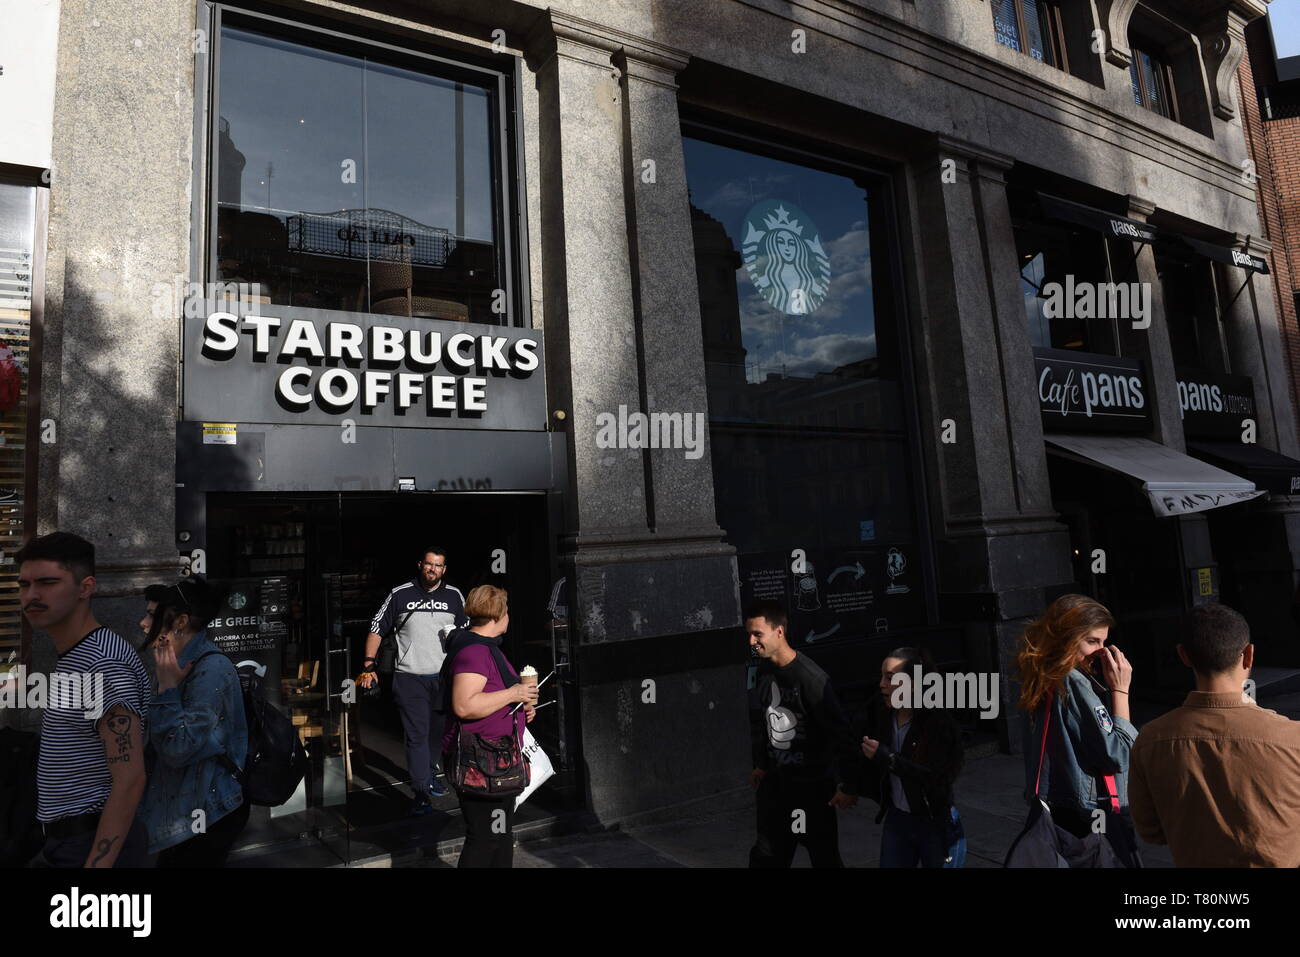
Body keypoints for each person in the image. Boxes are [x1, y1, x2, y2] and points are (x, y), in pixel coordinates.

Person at [1129, 603, 1300, 867]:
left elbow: (1151, 831)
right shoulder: (1292, 738)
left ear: (1183, 655)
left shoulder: (1150, 740)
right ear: (1249, 655)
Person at [19, 532, 151, 867]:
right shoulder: (77, 655)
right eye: (23, 585)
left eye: (48, 582)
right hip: (65, 841)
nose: (32, 595)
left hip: (91, 845)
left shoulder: (102, 665)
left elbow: (130, 778)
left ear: (85, 587)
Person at [1016, 593, 1139, 856]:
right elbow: (1117, 754)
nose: (1101, 650)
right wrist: (1120, 691)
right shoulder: (1073, 682)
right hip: (1086, 818)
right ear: (1066, 637)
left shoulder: (1038, 674)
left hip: (1056, 808)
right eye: (1092, 641)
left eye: (1104, 641)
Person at [139, 576, 249, 867]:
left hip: (206, 815)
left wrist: (167, 689)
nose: (143, 623)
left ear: (181, 622)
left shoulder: (211, 669)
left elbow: (179, 748)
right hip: (179, 811)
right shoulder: (175, 663)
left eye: (152, 615)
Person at [746, 600, 858, 868]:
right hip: (775, 789)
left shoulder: (811, 679)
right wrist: (761, 763)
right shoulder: (763, 671)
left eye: (757, 634)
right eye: (749, 634)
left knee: (824, 858)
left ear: (779, 632)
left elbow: (843, 735)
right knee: (765, 857)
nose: (751, 641)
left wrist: (848, 785)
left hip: (812, 791)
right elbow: (762, 722)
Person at [357, 546, 467, 814]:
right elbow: (376, 628)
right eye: (429, 564)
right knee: (417, 735)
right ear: (420, 565)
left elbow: (467, 632)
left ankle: (429, 774)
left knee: (436, 734)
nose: (433, 570)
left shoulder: (454, 596)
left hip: (443, 678)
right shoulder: (400, 594)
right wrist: (369, 664)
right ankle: (420, 791)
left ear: (445, 569)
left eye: (439, 566)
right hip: (409, 678)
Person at [439, 585, 537, 868]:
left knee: (501, 835)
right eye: (506, 611)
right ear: (498, 615)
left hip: (496, 758)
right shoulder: (475, 653)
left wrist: (520, 707)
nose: (509, 616)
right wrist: (514, 694)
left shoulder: (485, 648)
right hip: (481, 761)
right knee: (484, 838)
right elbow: (464, 705)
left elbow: (491, 695)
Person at [860, 647, 965, 868]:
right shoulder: (882, 714)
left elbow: (935, 777)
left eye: (890, 678)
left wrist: (887, 758)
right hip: (898, 820)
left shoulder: (938, 723)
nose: (881, 684)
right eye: (882, 676)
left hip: (935, 822)